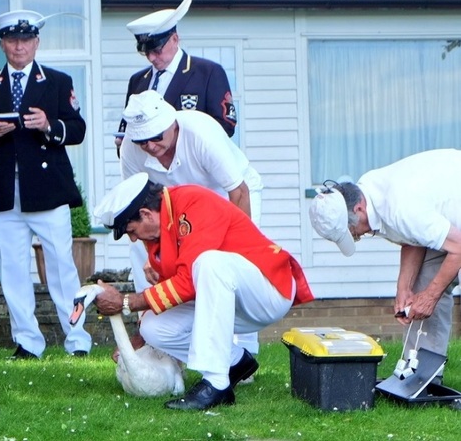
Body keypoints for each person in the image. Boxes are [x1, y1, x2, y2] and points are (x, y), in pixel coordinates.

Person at [92, 173, 314, 410]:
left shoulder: (193, 202)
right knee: (153, 328)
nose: (134, 239)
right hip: (227, 297)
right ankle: (236, 362)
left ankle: (217, 385)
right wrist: (139, 336)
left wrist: (125, 301)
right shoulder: (158, 229)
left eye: (131, 231)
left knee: (209, 262)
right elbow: (176, 287)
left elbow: (187, 282)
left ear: (146, 214)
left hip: (268, 290)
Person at [0, 10, 92, 359]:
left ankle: (77, 340)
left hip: (48, 190)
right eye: (13, 40)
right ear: (3, 44)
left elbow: (77, 129)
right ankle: (28, 342)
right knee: (14, 269)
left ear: (37, 42)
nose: (20, 46)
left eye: (26, 39)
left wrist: (49, 125)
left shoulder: (59, 81)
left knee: (63, 267)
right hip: (5, 191)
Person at [120, 89, 263, 357]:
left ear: (171, 124)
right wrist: (152, 254)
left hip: (230, 193)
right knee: (140, 253)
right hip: (174, 209)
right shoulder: (131, 149)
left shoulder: (201, 133)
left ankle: (244, 350)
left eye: (155, 137)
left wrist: (234, 250)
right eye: (142, 141)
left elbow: (239, 192)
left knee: (231, 267)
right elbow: (133, 206)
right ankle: (160, 338)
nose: (150, 146)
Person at [308, 148, 461, 367]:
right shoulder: (369, 189)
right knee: (423, 284)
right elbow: (412, 237)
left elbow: (458, 247)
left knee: (430, 293)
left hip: (457, 232)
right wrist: (404, 288)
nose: (356, 237)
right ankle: (422, 377)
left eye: (352, 231)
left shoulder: (401, 207)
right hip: (451, 227)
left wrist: (430, 297)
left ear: (359, 208)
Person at [114, 0, 237, 152]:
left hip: (192, 171)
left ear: (174, 39)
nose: (151, 58)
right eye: (145, 52)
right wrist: (123, 143)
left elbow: (226, 126)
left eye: (157, 50)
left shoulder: (208, 73)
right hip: (149, 172)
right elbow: (128, 128)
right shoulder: (138, 81)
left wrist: (173, 137)